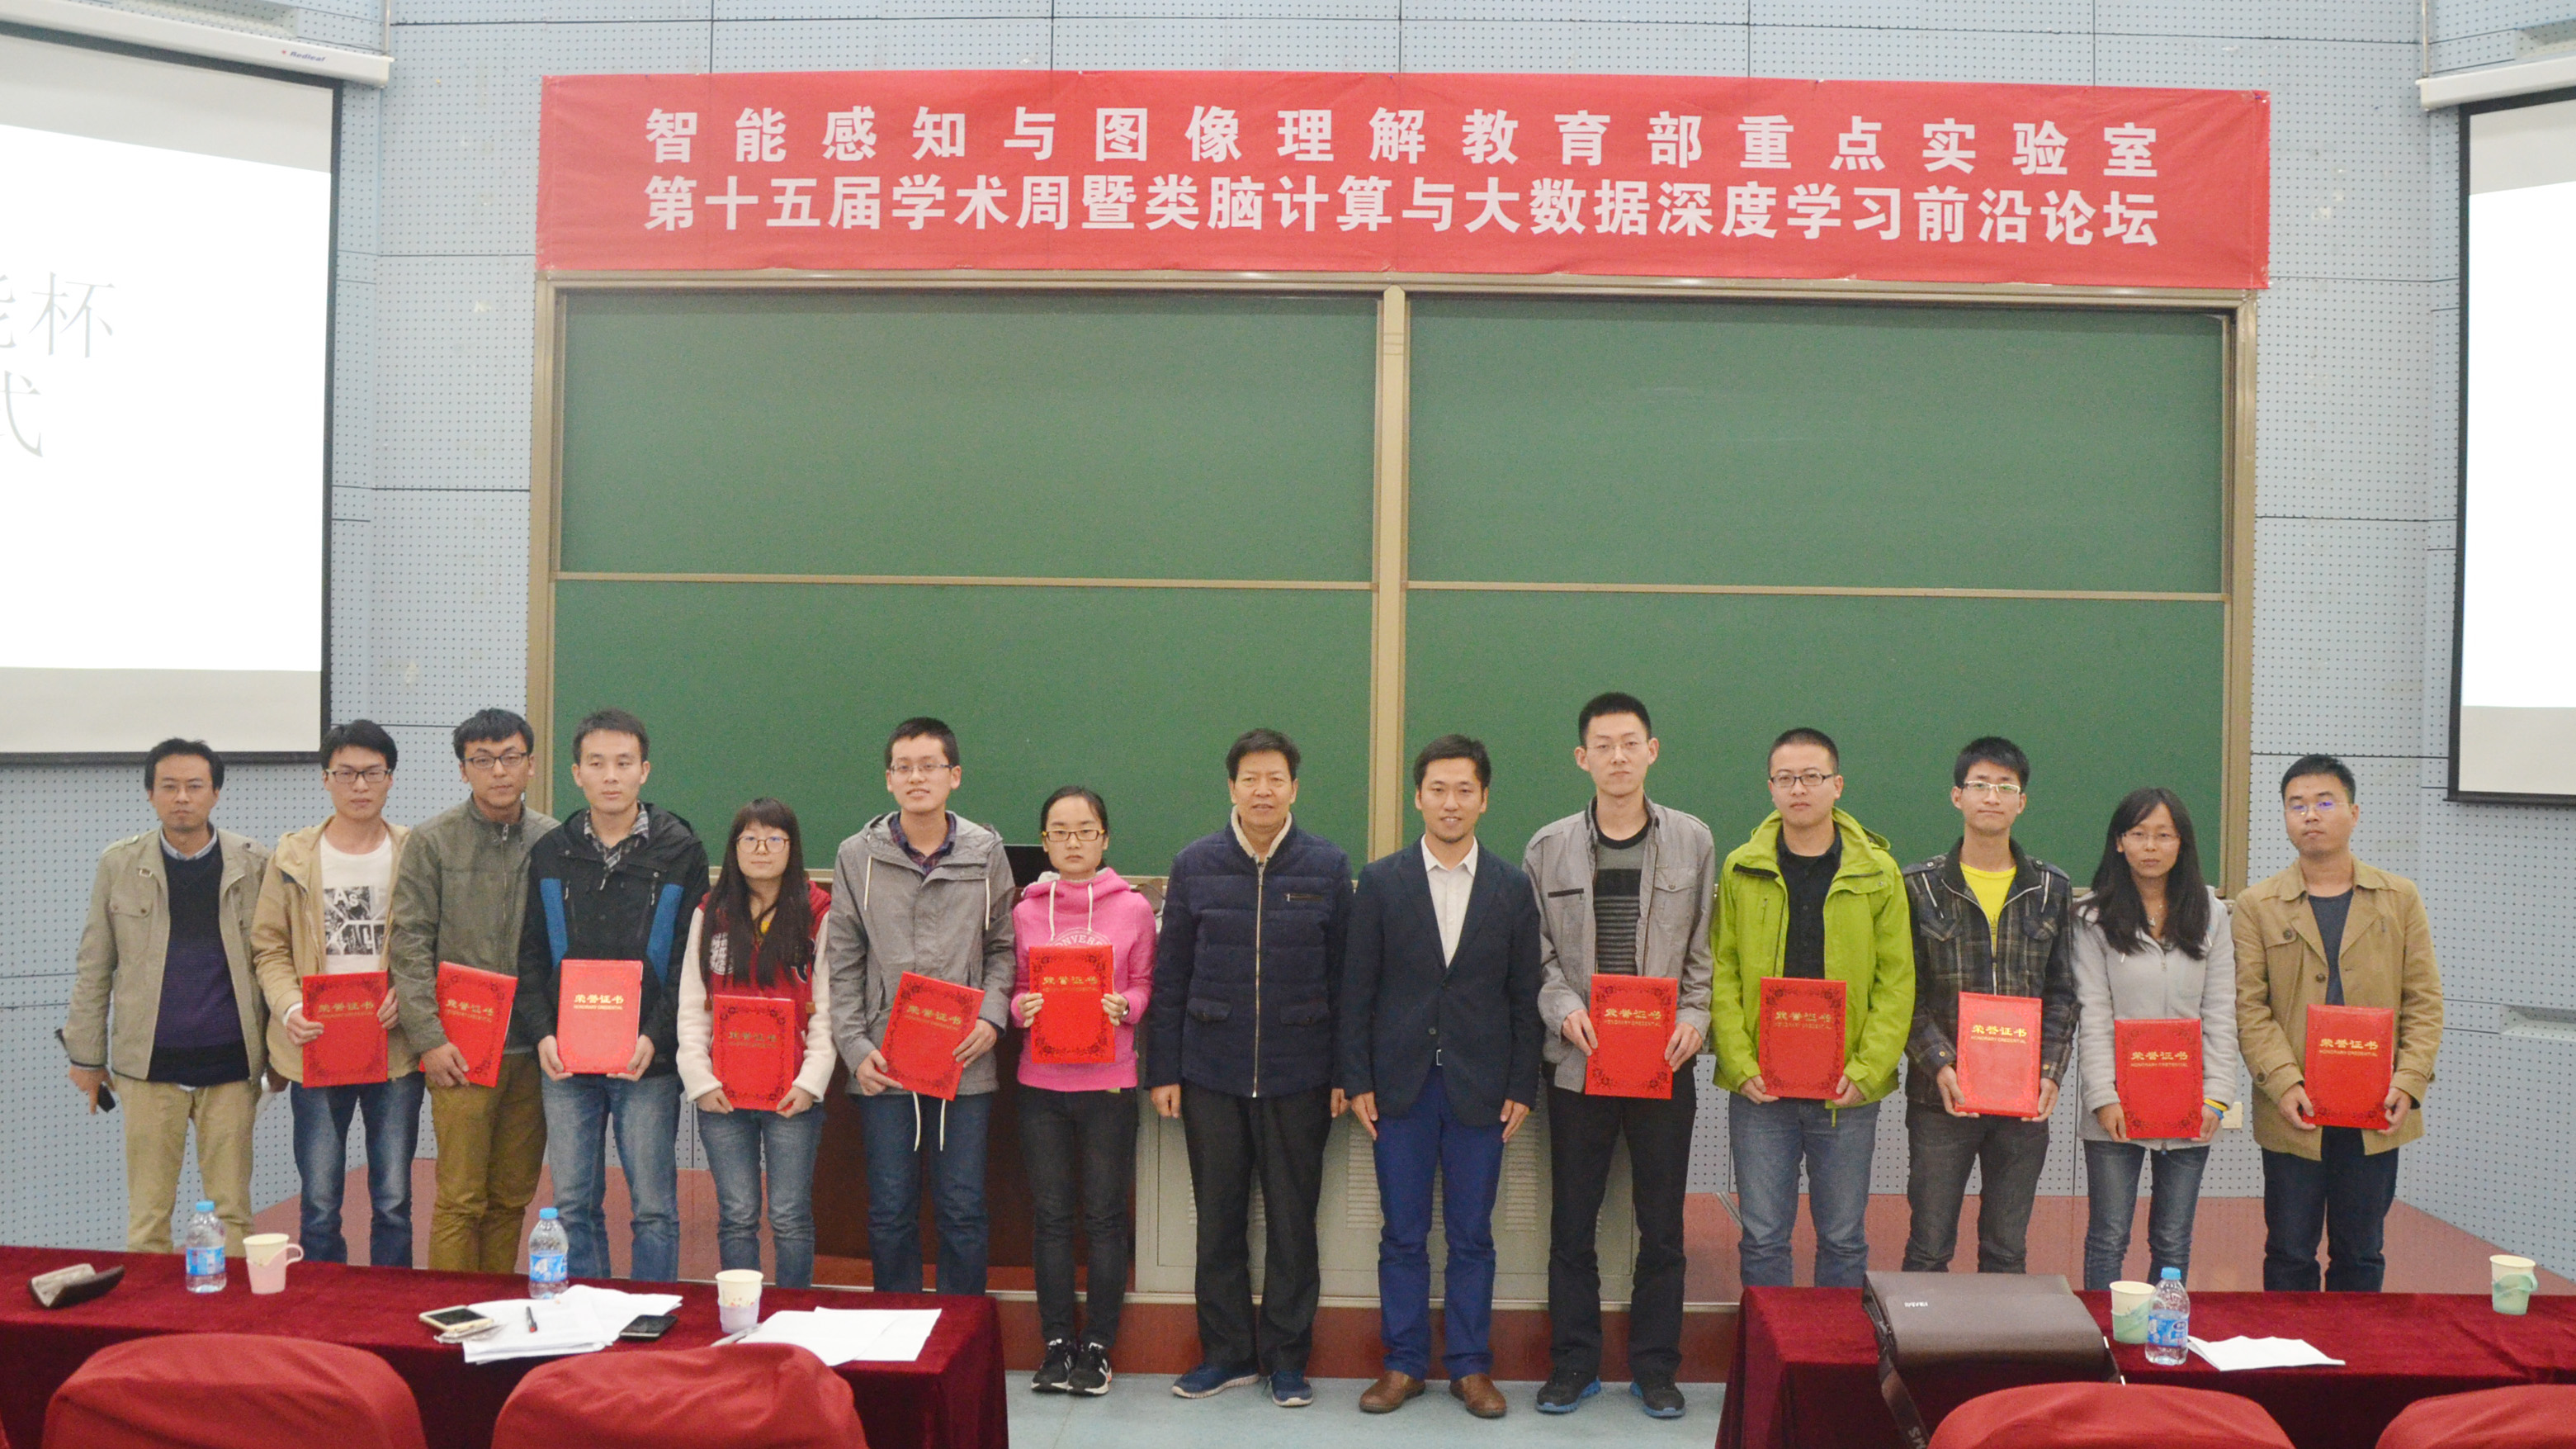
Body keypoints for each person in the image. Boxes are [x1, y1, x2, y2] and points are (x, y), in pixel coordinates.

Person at [1145, 728, 1353, 1409]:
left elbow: (1346, 981)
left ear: (1295, 787)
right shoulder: (1194, 863)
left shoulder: (1326, 865)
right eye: (1250, 778)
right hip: (1210, 1072)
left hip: (1300, 1074)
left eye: (1275, 778)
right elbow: (1170, 974)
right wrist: (1164, 1069)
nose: (1263, 790)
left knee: (1293, 1224)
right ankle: (1226, 1353)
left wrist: (1343, 1072)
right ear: (1231, 786)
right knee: (1218, 1220)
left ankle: (1287, 1360)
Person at [1341, 736, 1541, 1422]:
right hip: (1398, 1087)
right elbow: (1357, 988)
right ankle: (1401, 1363)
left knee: (1471, 1234)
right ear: (1417, 797)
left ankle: (1469, 1366)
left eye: (1463, 789)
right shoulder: (1381, 881)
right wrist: (1357, 1077)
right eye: (1437, 789)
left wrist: (1521, 1084)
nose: (1450, 802)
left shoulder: (1511, 887)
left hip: (1481, 1088)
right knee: (1401, 1233)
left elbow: (1524, 996)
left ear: (1483, 798)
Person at [1524, 694, 1713, 1420]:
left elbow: (1703, 952)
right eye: (1602, 745)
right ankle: (1572, 1364)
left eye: (1629, 742)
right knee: (1572, 1224)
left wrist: (1694, 1016)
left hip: (1664, 1062)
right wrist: (1562, 1007)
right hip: (1578, 1065)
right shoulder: (1547, 847)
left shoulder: (1693, 840)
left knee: (1661, 1226)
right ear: (1583, 758)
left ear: (1651, 750)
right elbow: (1537, 955)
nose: (1617, 756)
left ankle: (1655, 1368)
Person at [1712, 727, 1913, 1295]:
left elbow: (1897, 982)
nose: (1798, 789)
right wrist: (1739, 1063)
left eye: (1811, 777)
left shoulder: (1878, 872)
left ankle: (1837, 1348)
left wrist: (1866, 1071)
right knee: (1762, 1238)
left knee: (1843, 1238)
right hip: (1760, 1091)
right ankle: (1768, 1347)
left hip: (1845, 1091)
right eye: (1785, 778)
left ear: (1836, 785)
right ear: (1770, 788)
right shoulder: (1740, 868)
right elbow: (1722, 971)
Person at [824, 717, 1017, 1296]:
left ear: (954, 775)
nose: (916, 777)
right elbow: (843, 959)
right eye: (903, 767)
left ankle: (961, 1334)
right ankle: (896, 1328)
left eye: (929, 766)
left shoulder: (985, 852)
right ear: (889, 779)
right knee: (890, 1207)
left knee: (962, 1206)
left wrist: (992, 1017)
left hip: (964, 1058)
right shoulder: (857, 855)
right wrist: (854, 1046)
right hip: (884, 1060)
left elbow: (1003, 946)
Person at [2236, 755, 2443, 1293]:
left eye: (2324, 802)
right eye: (2297, 805)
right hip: (2294, 1107)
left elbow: (2423, 1001)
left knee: (2360, 1251)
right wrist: (2284, 1083)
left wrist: (2408, 1081)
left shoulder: (2398, 898)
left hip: (2377, 1105)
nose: (2310, 814)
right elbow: (2250, 1008)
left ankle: (2356, 1348)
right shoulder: (2257, 905)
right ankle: (2289, 1348)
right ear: (2284, 817)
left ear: (2353, 813)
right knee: (2288, 1251)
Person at [521, 708, 708, 1282]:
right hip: (566, 1059)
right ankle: (586, 1316)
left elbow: (689, 962)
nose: (610, 775)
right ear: (576, 772)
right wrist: (543, 1033)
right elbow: (529, 954)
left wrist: (656, 1035)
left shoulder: (680, 850)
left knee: (653, 1208)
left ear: (643, 771)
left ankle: (651, 1319)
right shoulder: (551, 852)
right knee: (573, 1203)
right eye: (596, 763)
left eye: (623, 763)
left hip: (645, 1059)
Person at [64, 739, 272, 1255]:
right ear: (150, 794)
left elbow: (275, 961)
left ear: (216, 793)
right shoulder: (119, 864)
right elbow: (95, 965)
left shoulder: (253, 862)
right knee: (149, 1219)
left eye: (195, 786)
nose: (182, 797)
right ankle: (149, 1309)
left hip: (231, 1066)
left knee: (233, 1213)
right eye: (169, 786)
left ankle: (229, 1306)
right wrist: (86, 1057)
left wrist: (281, 1057)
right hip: (148, 1068)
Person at [385, 708, 559, 1273]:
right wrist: (429, 1038)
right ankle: (453, 1312)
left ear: (530, 764)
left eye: (510, 757)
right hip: (459, 1051)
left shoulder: (553, 840)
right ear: (463, 770)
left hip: (534, 1049)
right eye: (482, 760)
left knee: (511, 1198)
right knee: (461, 1199)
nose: (498, 771)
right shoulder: (433, 841)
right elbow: (409, 943)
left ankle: (497, 1308)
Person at [1899, 737, 2077, 1276]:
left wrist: (2049, 1072)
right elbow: (1903, 993)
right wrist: (1941, 1064)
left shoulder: (2050, 887)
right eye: (1980, 785)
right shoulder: (1919, 886)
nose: (1992, 797)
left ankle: (1999, 1337)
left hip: (2023, 1101)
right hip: (1941, 1099)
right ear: (1957, 796)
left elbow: (2063, 991)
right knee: (1929, 1247)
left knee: (2006, 1250)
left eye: (2005, 787)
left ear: (2021, 802)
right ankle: (1919, 1337)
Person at [252, 720, 419, 1267]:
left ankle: (390, 1304)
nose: (360, 785)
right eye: (345, 773)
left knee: (393, 1200)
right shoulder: (293, 855)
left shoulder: (415, 851)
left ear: (390, 778)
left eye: (372, 772)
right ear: (325, 778)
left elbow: (436, 942)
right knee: (320, 1202)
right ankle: (325, 1304)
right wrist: (289, 1006)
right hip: (315, 1046)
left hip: (393, 1049)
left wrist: (410, 991)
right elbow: (269, 946)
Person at [1010, 786, 1155, 1397]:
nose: (1073, 842)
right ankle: (1055, 1343)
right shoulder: (1024, 910)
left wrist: (1128, 1006)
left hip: (1109, 1084)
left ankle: (1096, 1346)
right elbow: (1017, 985)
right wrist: (1022, 1007)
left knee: (1103, 1216)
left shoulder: (1135, 908)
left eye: (1085, 830)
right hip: (1041, 1085)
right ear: (1044, 842)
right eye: (1060, 832)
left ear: (1105, 837)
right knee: (1050, 1216)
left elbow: (1145, 981)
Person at [2073, 788, 2238, 1290]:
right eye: (2139, 834)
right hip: (2115, 1105)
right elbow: (2093, 1013)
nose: (2151, 846)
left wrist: (2217, 1096)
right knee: (2108, 1236)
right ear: (2119, 842)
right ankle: (2103, 1332)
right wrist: (2103, 1097)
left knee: (2172, 1239)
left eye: (2164, 835)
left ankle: (2164, 1329)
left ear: (2181, 843)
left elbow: (2220, 1010)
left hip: (2189, 1103)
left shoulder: (2212, 913)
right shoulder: (2092, 918)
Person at [676, 799, 835, 1289]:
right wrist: (700, 1080)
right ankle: (741, 1317)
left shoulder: (818, 913)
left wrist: (810, 1082)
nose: (761, 849)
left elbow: (827, 1008)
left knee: (789, 1214)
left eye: (774, 839)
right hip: (723, 1094)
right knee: (737, 1214)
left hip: (793, 1095)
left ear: (792, 847)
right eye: (750, 839)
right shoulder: (711, 912)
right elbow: (693, 1003)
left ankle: (793, 1317)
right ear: (734, 847)